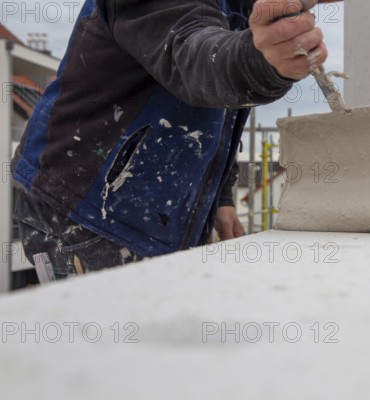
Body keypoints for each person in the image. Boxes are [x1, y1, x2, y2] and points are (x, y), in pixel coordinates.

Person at [11, 0, 329, 279]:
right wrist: (256, 61)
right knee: (112, 340)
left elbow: (215, 116)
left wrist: (221, 198)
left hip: (145, 206)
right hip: (86, 205)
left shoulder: (239, 5)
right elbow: (195, 57)